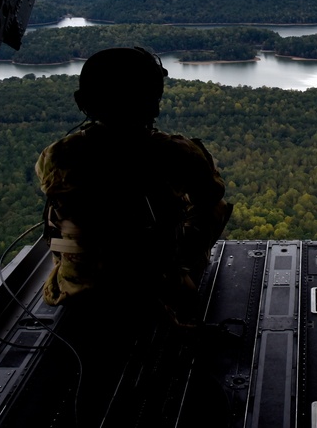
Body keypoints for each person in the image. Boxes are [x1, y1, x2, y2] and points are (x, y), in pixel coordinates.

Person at [37, 46, 231, 322]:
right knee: (215, 208)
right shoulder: (173, 152)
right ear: (153, 100)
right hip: (151, 293)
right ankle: (180, 276)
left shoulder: (56, 155)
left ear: (84, 102)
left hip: (75, 290)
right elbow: (211, 194)